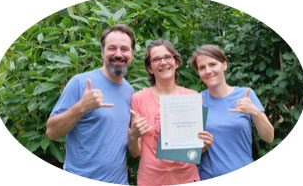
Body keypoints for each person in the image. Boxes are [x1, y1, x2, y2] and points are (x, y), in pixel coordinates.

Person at [46, 24, 135, 184]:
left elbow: (119, 138)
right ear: (102, 53)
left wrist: (135, 135)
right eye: (112, 48)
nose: (118, 54)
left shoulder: (130, 91)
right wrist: (81, 107)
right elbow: (52, 132)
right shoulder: (80, 83)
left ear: (132, 54)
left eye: (124, 49)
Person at [128, 39, 214, 186]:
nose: (163, 62)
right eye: (156, 59)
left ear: (176, 62)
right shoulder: (139, 99)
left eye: (167, 57)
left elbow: (195, 148)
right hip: (151, 179)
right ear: (150, 68)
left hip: (187, 177)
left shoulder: (193, 97)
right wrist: (134, 136)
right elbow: (135, 152)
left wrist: (204, 145)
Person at [188, 44, 274, 180]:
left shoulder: (246, 94)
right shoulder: (196, 101)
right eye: (202, 67)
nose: (208, 71)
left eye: (212, 64)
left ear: (224, 65)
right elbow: (189, 153)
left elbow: (269, 137)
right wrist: (201, 148)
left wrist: (255, 112)